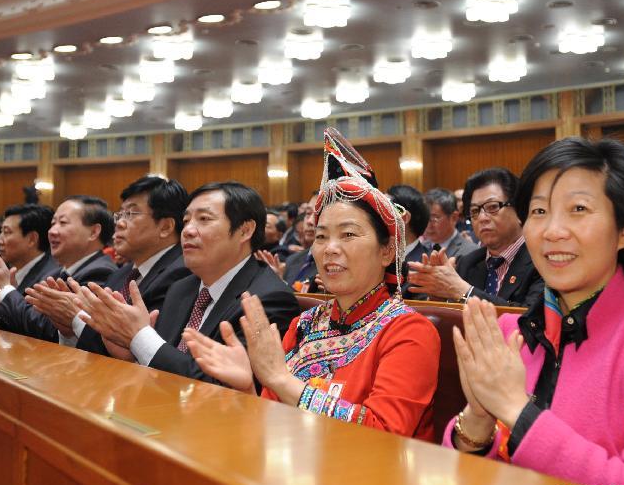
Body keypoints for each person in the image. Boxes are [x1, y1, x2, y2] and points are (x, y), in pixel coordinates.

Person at [444, 138, 624, 485]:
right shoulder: (510, 334)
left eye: (578, 209)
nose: (553, 230)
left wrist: (515, 409)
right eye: (539, 212)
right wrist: (476, 417)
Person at [181, 129, 440, 438]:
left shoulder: (409, 331)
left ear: (387, 251)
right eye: (320, 236)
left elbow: (383, 432)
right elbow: (273, 422)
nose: (329, 248)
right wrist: (248, 388)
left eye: (348, 234)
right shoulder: (304, 324)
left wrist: (278, 378)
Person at [69, 181, 301, 383]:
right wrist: (130, 353)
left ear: (244, 230)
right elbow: (163, 360)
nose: (188, 230)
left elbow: (217, 385)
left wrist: (138, 337)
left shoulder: (268, 300)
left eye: (204, 219)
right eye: (186, 219)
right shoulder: (182, 288)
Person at [42, 176, 190, 355]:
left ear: (165, 227)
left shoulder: (180, 274)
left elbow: (139, 350)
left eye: (131, 214)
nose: (119, 223)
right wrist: (68, 331)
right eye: (120, 214)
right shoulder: (121, 274)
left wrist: (77, 319)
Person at [0, 196, 116, 341]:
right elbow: (19, 327)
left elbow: (47, 331)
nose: (52, 231)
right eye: (53, 223)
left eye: (63, 223)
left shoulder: (101, 271)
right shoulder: (54, 273)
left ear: (93, 232)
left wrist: (3, 290)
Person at [408, 168, 544, 307]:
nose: (482, 217)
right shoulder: (468, 263)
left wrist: (464, 291)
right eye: (475, 211)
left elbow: (528, 318)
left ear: (519, 209)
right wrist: (440, 298)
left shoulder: (541, 261)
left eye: (492, 207)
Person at [0, 204, 57, 328]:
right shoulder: (6, 271)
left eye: (6, 232)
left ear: (32, 239)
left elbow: (38, 330)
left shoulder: (50, 278)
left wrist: (4, 294)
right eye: (1, 232)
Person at [421, 188, 477, 262]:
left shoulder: (471, 252)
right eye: (424, 217)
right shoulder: (419, 248)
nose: (428, 225)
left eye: (434, 218)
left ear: (454, 218)